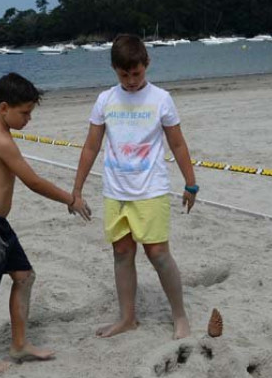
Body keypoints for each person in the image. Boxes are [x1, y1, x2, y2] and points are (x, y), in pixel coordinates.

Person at [0, 73, 92, 372]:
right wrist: (70, 199)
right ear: (4, 108)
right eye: (25, 113)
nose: (29, 119)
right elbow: (32, 181)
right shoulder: (0, 140)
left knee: (24, 276)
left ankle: (18, 345)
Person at [71, 35, 197, 340]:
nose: (130, 81)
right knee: (122, 252)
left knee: (158, 254)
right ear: (114, 69)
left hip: (151, 189)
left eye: (136, 73)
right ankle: (127, 317)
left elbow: (177, 144)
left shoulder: (161, 99)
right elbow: (91, 146)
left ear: (146, 65)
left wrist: (190, 184)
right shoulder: (105, 100)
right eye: (123, 75)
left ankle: (180, 316)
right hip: (116, 191)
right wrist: (77, 189)